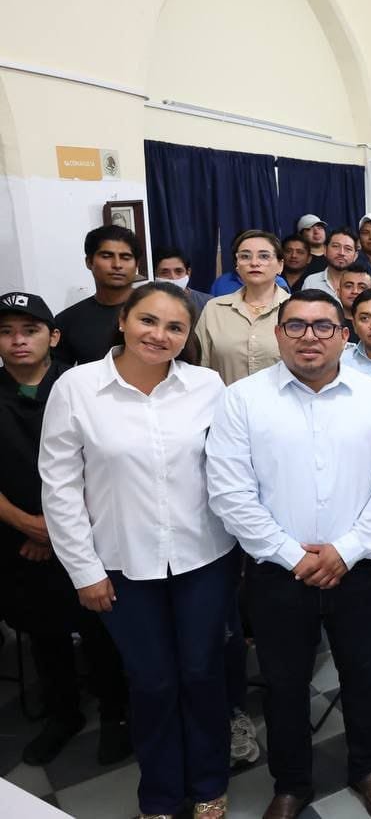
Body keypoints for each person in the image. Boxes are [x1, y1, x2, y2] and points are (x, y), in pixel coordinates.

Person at [40, 282, 237, 819]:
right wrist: (83, 570)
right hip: (121, 564)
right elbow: (59, 487)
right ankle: (160, 793)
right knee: (152, 681)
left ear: (187, 335)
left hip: (204, 558)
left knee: (202, 673)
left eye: (175, 327)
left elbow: (229, 470)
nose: (159, 335)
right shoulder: (77, 387)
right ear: (123, 320)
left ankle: (209, 781)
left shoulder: (206, 386)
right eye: (148, 320)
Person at [205, 290, 371, 819]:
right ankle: (291, 782)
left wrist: (346, 550)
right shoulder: (242, 399)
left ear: (344, 335)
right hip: (276, 572)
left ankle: (368, 767)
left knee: (363, 674)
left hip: (356, 569)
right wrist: (293, 555)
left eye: (322, 326)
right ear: (278, 334)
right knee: (284, 682)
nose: (309, 337)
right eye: (295, 326)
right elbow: (230, 492)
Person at [0, 293, 130, 767]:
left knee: (102, 629)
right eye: (6, 332)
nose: (18, 341)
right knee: (44, 631)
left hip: (89, 534)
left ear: (53, 337)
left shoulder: (83, 387)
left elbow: (107, 463)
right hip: (20, 539)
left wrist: (56, 531)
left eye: (30, 330)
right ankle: (63, 714)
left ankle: (116, 714)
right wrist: (28, 526)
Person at [195, 230, 293, 385]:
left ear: (280, 265)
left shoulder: (296, 309)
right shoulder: (214, 308)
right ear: (237, 265)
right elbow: (199, 368)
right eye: (245, 256)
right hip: (226, 399)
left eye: (264, 256)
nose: (254, 263)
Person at [53, 225, 140, 365]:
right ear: (89, 262)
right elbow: (60, 373)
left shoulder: (160, 310)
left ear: (136, 265)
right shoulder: (67, 320)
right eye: (106, 256)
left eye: (125, 257)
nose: (117, 264)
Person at [301, 227, 360, 299]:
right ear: (325, 250)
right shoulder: (311, 282)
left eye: (348, 249)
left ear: (355, 256)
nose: (341, 253)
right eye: (336, 246)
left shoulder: (364, 283)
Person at [154, 249, 213, 317]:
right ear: (155, 274)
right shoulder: (148, 302)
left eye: (178, 271)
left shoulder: (208, 302)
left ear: (188, 273)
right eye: (165, 273)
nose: (173, 277)